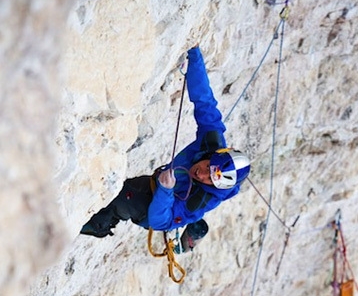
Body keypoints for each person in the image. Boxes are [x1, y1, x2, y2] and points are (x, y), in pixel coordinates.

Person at [80, 45, 251, 251]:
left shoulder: (205, 198)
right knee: (130, 187)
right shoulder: (212, 140)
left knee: (122, 198)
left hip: (155, 208)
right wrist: (194, 57)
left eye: (210, 179)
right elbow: (204, 102)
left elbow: (160, 222)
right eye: (209, 167)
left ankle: (96, 224)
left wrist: (165, 191)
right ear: (216, 154)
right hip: (156, 186)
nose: (202, 174)